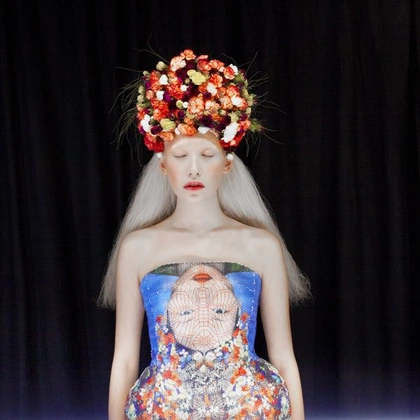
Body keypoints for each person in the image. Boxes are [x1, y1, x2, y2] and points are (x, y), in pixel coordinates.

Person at [99, 49, 310, 419]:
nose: (193, 169)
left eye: (207, 156)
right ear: (162, 165)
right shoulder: (138, 247)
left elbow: (283, 357)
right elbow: (125, 359)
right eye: (181, 156)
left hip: (250, 410)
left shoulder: (261, 246)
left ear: (227, 164)